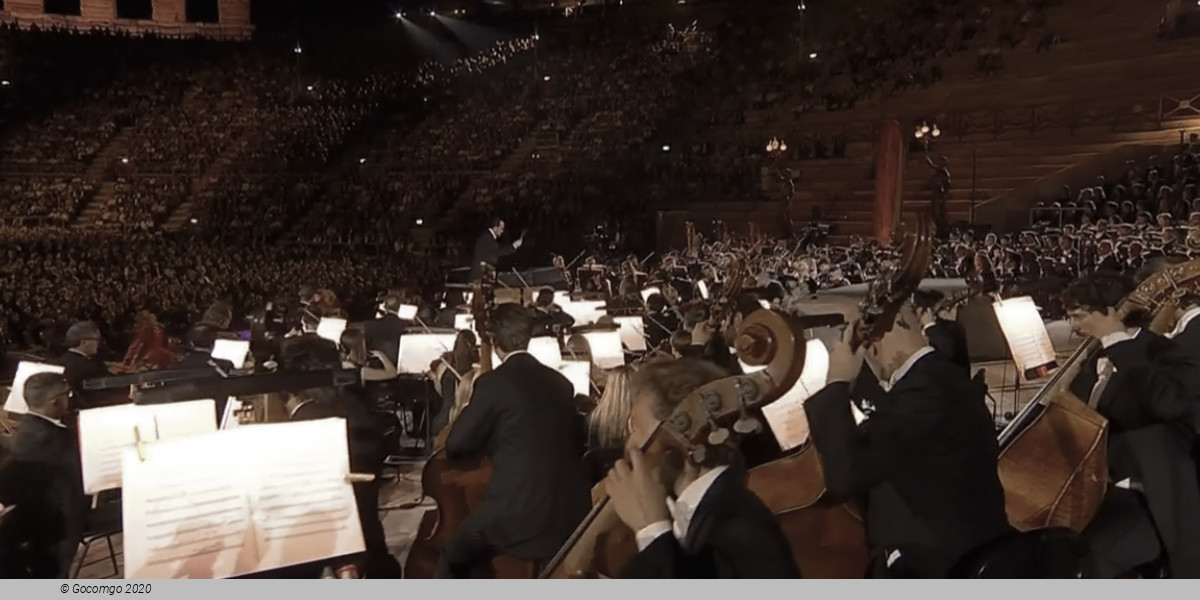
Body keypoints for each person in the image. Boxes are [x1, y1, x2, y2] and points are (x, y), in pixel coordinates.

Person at [804, 302, 1012, 578]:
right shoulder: (939, 376)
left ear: (875, 338)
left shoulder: (924, 392)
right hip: (962, 547)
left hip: (939, 564)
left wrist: (836, 380)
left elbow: (845, 475)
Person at [605, 358, 800, 578]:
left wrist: (650, 528)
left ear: (682, 434)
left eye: (637, 427)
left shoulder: (738, 525)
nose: (630, 444)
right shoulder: (697, 517)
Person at [436, 303, 590, 578]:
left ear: (495, 343)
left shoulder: (493, 384)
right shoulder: (561, 382)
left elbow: (457, 446)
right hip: (569, 513)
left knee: (452, 553)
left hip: (519, 516)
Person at [1062, 272, 1200, 578]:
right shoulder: (1094, 356)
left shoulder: (1163, 353)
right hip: (1096, 489)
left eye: (1079, 316)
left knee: (1094, 554)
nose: (1073, 326)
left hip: (1146, 497)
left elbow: (1168, 405)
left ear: (1112, 312)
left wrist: (1116, 339)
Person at [0, 373, 87, 578]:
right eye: (67, 394)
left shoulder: (29, 427)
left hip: (41, 514)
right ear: (56, 401)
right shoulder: (55, 439)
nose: (70, 398)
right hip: (59, 522)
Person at [912, 289, 971, 375]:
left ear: (925, 311)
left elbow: (949, 353)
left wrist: (930, 326)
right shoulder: (913, 331)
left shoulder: (951, 329)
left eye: (913, 309)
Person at [57, 321, 112, 410]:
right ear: (84, 342)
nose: (98, 343)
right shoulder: (89, 367)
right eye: (96, 340)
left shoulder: (64, 359)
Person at [469, 217, 524, 282]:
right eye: (501, 228)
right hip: (479, 277)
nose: (502, 231)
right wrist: (514, 246)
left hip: (482, 275)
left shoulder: (487, 237)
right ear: (495, 228)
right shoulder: (487, 238)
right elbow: (498, 251)